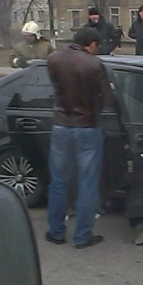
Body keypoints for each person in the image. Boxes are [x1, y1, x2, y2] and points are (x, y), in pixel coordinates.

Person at [45, 27, 110, 249]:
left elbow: (57, 88)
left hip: (61, 125)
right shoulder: (94, 65)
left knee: (58, 181)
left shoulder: (53, 60)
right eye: (97, 47)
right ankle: (82, 236)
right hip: (87, 127)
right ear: (91, 44)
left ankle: (56, 232)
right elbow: (107, 99)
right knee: (88, 183)